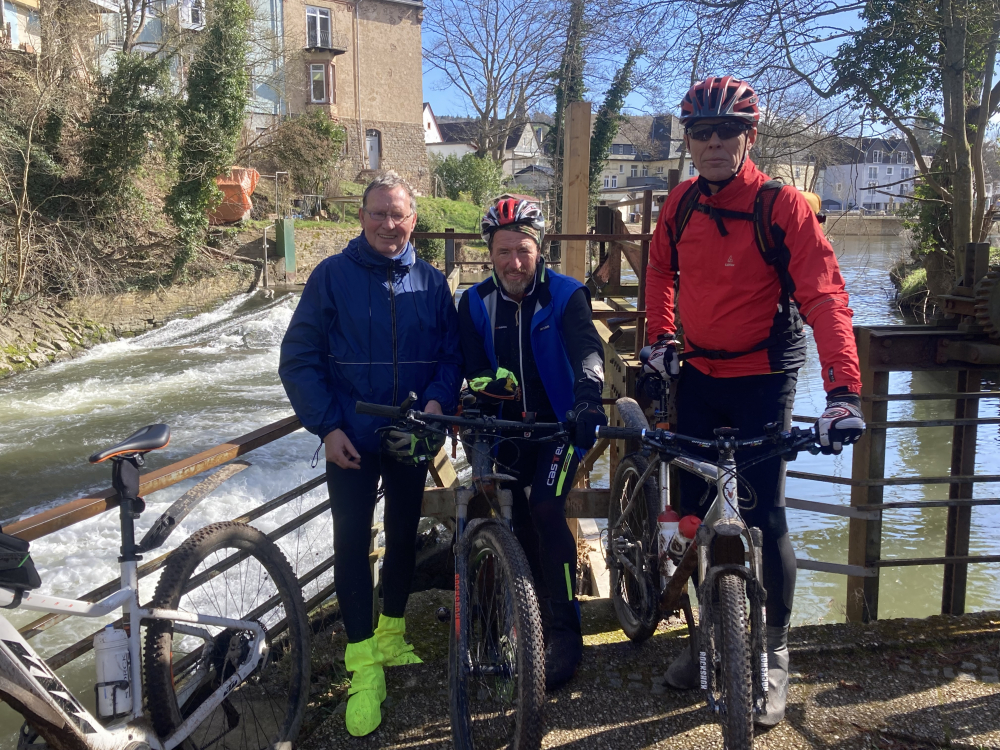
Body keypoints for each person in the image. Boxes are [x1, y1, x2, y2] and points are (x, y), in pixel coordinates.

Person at [645, 76, 866, 726]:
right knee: (688, 515)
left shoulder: (784, 206)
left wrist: (842, 392)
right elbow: (660, 268)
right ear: (688, 140)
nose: (713, 144)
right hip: (698, 374)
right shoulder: (680, 203)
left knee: (766, 519)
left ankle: (772, 654)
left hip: (764, 375)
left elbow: (825, 296)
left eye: (727, 132)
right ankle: (703, 639)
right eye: (701, 133)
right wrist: (660, 338)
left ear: (750, 136)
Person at [279, 171, 461, 737]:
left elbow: (450, 358)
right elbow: (300, 357)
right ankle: (362, 664)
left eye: (398, 215)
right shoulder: (331, 277)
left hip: (411, 433)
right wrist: (326, 427)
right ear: (361, 217)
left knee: (404, 534)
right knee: (353, 543)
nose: (388, 224)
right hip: (351, 438)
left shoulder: (432, 283)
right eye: (378, 214)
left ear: (414, 219)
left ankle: (392, 634)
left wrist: (436, 405)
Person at [457, 197, 608, 691]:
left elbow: (587, 351)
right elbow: (473, 366)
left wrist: (588, 400)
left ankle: (565, 631)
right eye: (503, 251)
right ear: (489, 252)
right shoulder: (475, 301)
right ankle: (526, 616)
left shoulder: (566, 295)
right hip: (505, 431)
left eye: (523, 250)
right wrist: (485, 387)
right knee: (512, 518)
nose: (514, 262)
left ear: (539, 248)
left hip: (558, 429)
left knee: (545, 507)